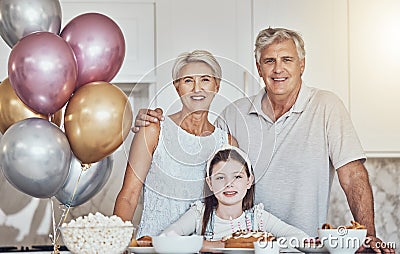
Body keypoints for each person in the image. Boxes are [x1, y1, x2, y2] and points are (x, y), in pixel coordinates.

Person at [133, 28, 394, 253]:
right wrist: (156, 121)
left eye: (287, 59)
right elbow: (201, 151)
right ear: (259, 68)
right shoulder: (233, 115)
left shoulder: (327, 106)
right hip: (247, 250)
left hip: (301, 249)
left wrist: (367, 235)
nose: (278, 68)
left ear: (302, 65)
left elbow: (353, 176)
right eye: (269, 61)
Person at [113, 50, 237, 238]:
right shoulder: (153, 130)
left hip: (205, 247)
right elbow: (129, 195)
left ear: (217, 86)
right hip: (154, 246)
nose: (197, 89)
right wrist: (115, 244)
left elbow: (232, 205)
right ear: (177, 87)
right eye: (188, 81)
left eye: (205, 80)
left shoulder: (226, 142)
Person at [162, 145, 309, 250]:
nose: (228, 184)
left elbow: (300, 238)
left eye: (237, 177)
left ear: (249, 181)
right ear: (210, 183)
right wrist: (210, 245)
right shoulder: (199, 215)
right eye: (220, 178)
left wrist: (263, 244)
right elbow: (166, 237)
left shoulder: (259, 218)